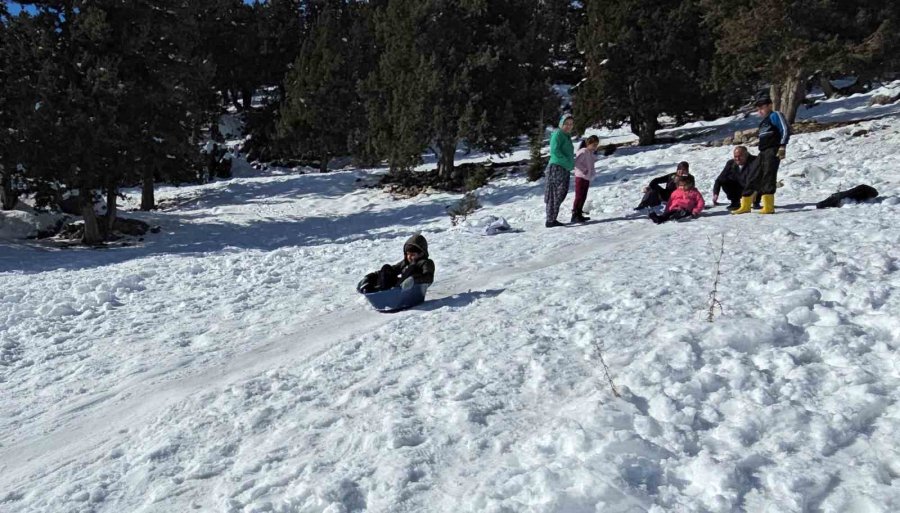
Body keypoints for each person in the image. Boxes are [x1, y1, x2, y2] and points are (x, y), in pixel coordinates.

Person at [733, 95, 790, 214]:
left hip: (773, 149)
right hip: (763, 152)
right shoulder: (764, 122)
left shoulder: (775, 115)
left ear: (769, 105)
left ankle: (768, 206)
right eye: (758, 109)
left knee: (768, 176)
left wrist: (782, 146)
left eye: (762, 108)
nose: (760, 111)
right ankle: (745, 205)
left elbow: (785, 129)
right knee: (753, 174)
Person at [357, 234, 435, 293]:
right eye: (408, 254)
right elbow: (393, 270)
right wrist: (370, 277)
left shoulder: (427, 263)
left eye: (412, 255)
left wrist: (413, 280)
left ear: (421, 253)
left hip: (411, 290)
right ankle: (377, 289)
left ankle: (392, 292)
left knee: (412, 268)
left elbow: (428, 277)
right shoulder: (405, 262)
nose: (409, 257)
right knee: (386, 267)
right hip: (398, 286)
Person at [545, 113, 576, 228]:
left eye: (571, 124)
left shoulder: (566, 135)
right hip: (556, 167)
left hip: (564, 168)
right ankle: (550, 220)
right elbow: (555, 151)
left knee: (562, 193)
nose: (569, 126)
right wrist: (567, 162)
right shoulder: (558, 134)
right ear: (561, 124)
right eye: (566, 123)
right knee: (554, 194)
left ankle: (553, 218)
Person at [713, 146, 758, 210]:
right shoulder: (730, 163)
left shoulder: (756, 161)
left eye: (740, 156)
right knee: (724, 180)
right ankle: (735, 202)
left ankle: (756, 202)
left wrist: (755, 192)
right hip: (740, 189)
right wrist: (715, 194)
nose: (737, 159)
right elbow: (719, 179)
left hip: (754, 189)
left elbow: (761, 178)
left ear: (746, 155)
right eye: (735, 156)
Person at [571, 135, 600, 223]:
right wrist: (584, 170)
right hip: (580, 176)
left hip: (587, 177)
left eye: (596, 145)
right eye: (594, 145)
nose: (595, 147)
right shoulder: (583, 151)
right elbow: (576, 163)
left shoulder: (590, 153)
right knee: (579, 196)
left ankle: (579, 213)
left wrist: (591, 172)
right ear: (588, 143)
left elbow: (591, 163)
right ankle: (575, 214)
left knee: (583, 196)